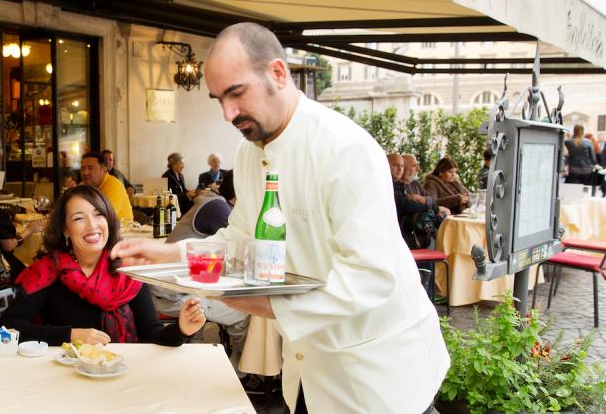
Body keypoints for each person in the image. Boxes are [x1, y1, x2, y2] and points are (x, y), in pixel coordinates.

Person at [112, 22, 448, 414]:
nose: (227, 113)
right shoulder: (249, 155)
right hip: (309, 369)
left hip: (378, 376)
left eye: (236, 94)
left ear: (277, 73)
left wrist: (268, 305)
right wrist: (164, 254)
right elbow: (238, 240)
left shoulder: (345, 149)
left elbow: (370, 276)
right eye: (218, 99)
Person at [1, 185, 205, 346]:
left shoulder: (127, 270)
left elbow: (151, 335)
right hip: (63, 380)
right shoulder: (47, 272)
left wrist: (181, 329)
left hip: (119, 376)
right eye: (79, 218)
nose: (92, 225)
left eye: (99, 214)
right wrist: (70, 335)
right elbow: (7, 328)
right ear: (65, 229)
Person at [151, 174, 249, 371]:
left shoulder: (213, 202)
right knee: (244, 311)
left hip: (169, 287)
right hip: (171, 294)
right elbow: (238, 254)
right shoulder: (220, 209)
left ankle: (201, 352)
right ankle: (244, 370)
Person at [388, 154, 444, 250]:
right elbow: (406, 205)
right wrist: (431, 206)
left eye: (401, 166)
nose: (400, 169)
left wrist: (424, 200)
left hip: (418, 233)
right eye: (395, 165)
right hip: (401, 235)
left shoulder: (414, 184)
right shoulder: (390, 184)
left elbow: (433, 201)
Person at [79, 152, 133, 222]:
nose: (85, 173)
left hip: (122, 230)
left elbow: (104, 215)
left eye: (90, 168)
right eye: (83, 169)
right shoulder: (84, 186)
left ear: (103, 169)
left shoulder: (114, 185)